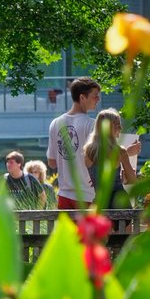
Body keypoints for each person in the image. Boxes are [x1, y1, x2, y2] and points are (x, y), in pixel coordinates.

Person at [47, 76, 101, 209]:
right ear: (82, 97)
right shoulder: (92, 125)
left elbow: (51, 162)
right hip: (87, 195)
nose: (98, 99)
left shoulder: (55, 123)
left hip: (64, 195)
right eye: (95, 96)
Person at [83, 108, 140, 209]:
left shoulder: (88, 151)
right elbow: (132, 180)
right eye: (118, 125)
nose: (121, 128)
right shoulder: (120, 151)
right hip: (120, 204)